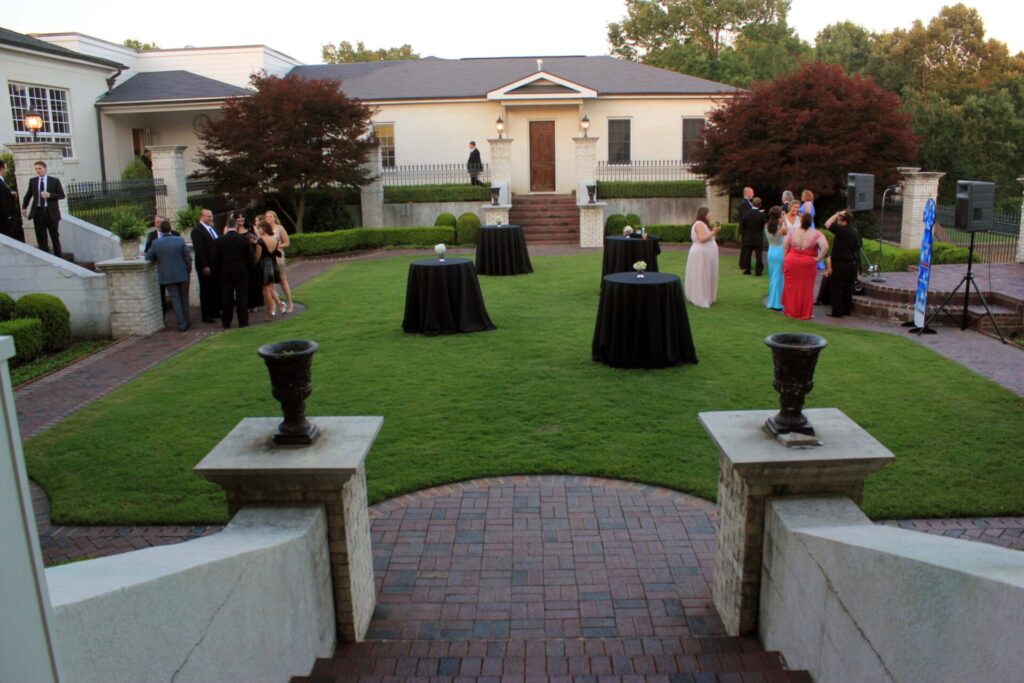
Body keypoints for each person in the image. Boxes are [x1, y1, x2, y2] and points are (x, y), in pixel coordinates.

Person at [144, 219, 192, 332]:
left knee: (175, 298)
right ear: (170, 229)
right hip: (182, 273)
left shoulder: (156, 243)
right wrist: (187, 270)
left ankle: (182, 323)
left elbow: (148, 257)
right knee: (184, 298)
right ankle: (186, 320)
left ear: (160, 230)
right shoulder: (180, 240)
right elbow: (188, 258)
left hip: (167, 275)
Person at [782, 212, 828, 320]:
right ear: (811, 222)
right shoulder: (817, 234)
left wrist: (786, 259)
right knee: (806, 288)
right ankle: (805, 312)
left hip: (791, 261)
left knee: (791, 287)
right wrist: (818, 259)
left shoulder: (792, 232)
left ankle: (790, 311)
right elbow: (825, 248)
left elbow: (785, 247)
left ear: (801, 221)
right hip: (808, 263)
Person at [215, 213, 254, 328]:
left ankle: (226, 322)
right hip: (241, 270)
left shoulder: (219, 241)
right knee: (242, 296)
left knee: (227, 297)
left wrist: (219, 270)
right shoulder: (243, 239)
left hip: (225, 271)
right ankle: (243, 321)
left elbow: (215, 258)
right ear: (236, 226)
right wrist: (247, 268)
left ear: (227, 226)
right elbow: (250, 257)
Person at [21, 161, 65, 257]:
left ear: (45, 168)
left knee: (54, 236)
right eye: (36, 169)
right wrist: (24, 207)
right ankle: (45, 257)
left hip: (51, 213)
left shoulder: (54, 181)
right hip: (38, 212)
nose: (38, 170)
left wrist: (50, 195)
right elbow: (28, 195)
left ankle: (59, 258)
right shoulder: (33, 181)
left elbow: (62, 195)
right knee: (41, 237)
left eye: (40, 168)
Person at [822, 210, 861, 318]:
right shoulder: (854, 231)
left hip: (840, 263)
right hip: (852, 263)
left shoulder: (841, 230)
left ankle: (837, 312)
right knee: (848, 287)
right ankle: (846, 310)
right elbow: (857, 246)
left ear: (842, 220)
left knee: (837, 287)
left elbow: (827, 224)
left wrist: (836, 214)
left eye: (839, 219)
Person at [684, 206, 720, 308]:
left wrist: (713, 231)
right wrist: (713, 232)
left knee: (706, 274)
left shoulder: (704, 224)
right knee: (701, 274)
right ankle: (700, 297)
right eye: (709, 213)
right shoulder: (699, 224)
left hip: (706, 254)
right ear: (704, 214)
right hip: (700, 254)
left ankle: (707, 296)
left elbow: (708, 237)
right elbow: (701, 239)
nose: (710, 215)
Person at [190, 209, 221, 322]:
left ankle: (215, 311)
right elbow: (200, 250)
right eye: (208, 217)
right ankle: (206, 314)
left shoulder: (212, 228)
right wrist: (204, 266)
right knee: (206, 289)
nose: (211, 219)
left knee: (215, 288)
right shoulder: (197, 231)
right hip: (206, 265)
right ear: (201, 217)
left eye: (211, 216)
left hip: (216, 264)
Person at [265, 210, 293, 314]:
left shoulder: (279, 228)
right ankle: (276, 305)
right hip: (268, 258)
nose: (268, 218)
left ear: (274, 217)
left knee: (282, 280)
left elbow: (287, 243)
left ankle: (290, 303)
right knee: (271, 282)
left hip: (278, 257)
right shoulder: (265, 230)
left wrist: (276, 246)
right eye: (267, 217)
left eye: (270, 216)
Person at [253, 220, 282, 320]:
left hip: (263, 266)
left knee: (266, 292)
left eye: (259, 229)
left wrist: (253, 264)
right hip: (273, 265)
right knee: (270, 288)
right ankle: (280, 305)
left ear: (264, 228)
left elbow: (257, 256)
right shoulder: (275, 239)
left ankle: (271, 312)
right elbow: (276, 252)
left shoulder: (260, 241)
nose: (258, 231)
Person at [764, 206, 786, 311]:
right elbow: (790, 234)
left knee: (773, 277)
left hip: (770, 251)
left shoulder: (766, 226)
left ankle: (772, 301)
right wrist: (784, 220)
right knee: (779, 278)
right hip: (779, 252)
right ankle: (776, 303)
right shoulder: (782, 228)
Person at [738, 196, 766, 275]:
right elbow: (762, 227)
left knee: (747, 255)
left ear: (752, 204)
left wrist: (745, 233)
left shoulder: (746, 214)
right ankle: (758, 271)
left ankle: (747, 270)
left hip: (748, 237)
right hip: (758, 237)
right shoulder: (762, 215)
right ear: (760, 205)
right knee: (759, 256)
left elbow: (743, 226)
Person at [0, 160, 22, 241]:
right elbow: (2, 200)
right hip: (5, 218)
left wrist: (10, 194)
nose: (7, 170)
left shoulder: (2, 180)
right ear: (1, 168)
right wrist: (8, 216)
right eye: (6, 168)